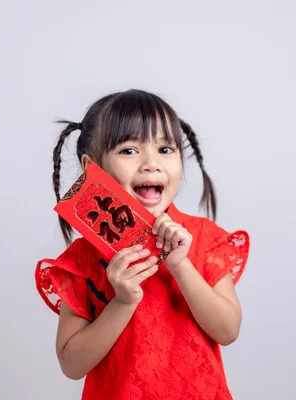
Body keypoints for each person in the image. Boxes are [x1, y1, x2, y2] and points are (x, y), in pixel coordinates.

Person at [35, 89, 250, 399]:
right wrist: (122, 302)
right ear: (91, 166)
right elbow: (71, 363)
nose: (151, 163)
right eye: (129, 150)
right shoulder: (83, 259)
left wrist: (181, 266)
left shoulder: (203, 238)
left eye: (165, 149)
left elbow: (228, 330)